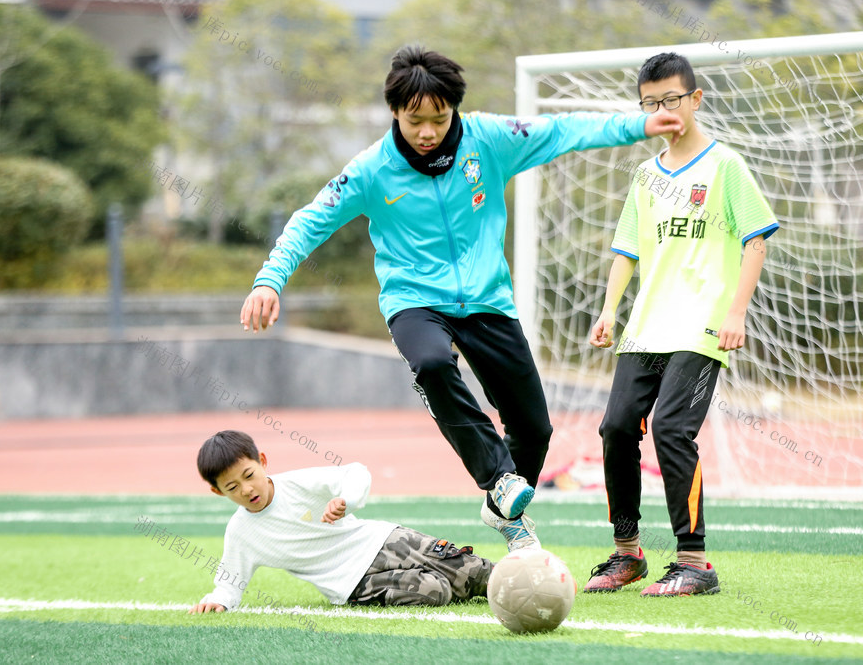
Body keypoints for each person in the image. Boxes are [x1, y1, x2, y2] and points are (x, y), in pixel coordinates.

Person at [238, 45, 686, 551]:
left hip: (488, 300)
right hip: (415, 300)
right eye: (414, 121)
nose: (427, 132)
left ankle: (503, 510)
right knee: (431, 362)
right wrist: (269, 279)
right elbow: (309, 220)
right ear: (394, 113)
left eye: (438, 118)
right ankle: (498, 480)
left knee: (535, 429)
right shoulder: (370, 170)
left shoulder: (489, 140)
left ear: (455, 109)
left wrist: (637, 126)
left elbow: (560, 132)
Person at [582, 52, 778, 596]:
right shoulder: (645, 174)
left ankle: (694, 562)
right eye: (651, 103)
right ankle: (627, 554)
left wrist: (736, 312)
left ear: (694, 99)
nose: (663, 109)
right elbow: (626, 249)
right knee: (616, 427)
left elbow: (755, 240)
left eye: (672, 99)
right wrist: (607, 310)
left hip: (704, 327)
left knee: (671, 428)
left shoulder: (725, 166)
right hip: (646, 326)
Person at [188, 430, 493, 613]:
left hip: (383, 542)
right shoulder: (241, 533)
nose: (247, 489)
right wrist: (220, 601)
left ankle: (533, 581)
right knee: (434, 591)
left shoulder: (299, 483)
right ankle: (446, 581)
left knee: (475, 571)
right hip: (353, 583)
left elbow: (356, 472)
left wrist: (346, 499)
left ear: (262, 462)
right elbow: (229, 583)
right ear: (217, 491)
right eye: (232, 487)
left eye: (249, 475)